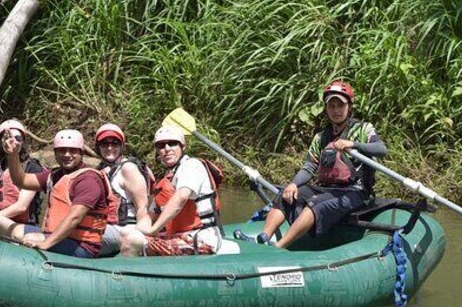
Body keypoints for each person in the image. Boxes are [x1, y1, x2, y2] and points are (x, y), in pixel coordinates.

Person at [253, 80, 387, 249]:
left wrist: (353, 145)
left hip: (355, 192)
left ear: (349, 107)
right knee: (288, 193)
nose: (336, 110)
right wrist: (294, 184)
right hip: (328, 189)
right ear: (326, 108)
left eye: (340, 105)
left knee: (315, 203)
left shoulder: (363, 129)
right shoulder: (321, 137)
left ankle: (280, 246)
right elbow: (309, 167)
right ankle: (264, 237)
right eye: (331, 106)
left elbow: (381, 149)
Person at [0, 128, 113, 258]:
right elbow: (21, 180)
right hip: (58, 237)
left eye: (72, 150)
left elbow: (74, 217)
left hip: (83, 246)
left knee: (30, 237)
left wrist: (46, 243)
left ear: (81, 153)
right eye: (62, 150)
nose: (67, 155)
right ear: (55, 153)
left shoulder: (88, 180)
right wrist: (13, 155)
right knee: (16, 231)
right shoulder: (54, 175)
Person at [119, 125, 223, 257]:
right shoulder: (168, 179)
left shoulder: (192, 165)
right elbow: (151, 215)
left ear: (183, 147)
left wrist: (153, 230)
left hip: (202, 239)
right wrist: (137, 229)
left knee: (132, 240)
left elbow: (181, 197)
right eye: (161, 146)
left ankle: (130, 275)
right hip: (178, 236)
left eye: (172, 144)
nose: (167, 149)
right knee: (126, 233)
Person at [94, 122, 154, 257]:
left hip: (125, 229)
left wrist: (141, 237)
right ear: (98, 147)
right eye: (104, 144)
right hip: (106, 227)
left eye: (114, 143)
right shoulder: (100, 170)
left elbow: (142, 207)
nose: (109, 148)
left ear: (122, 146)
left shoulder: (128, 169)